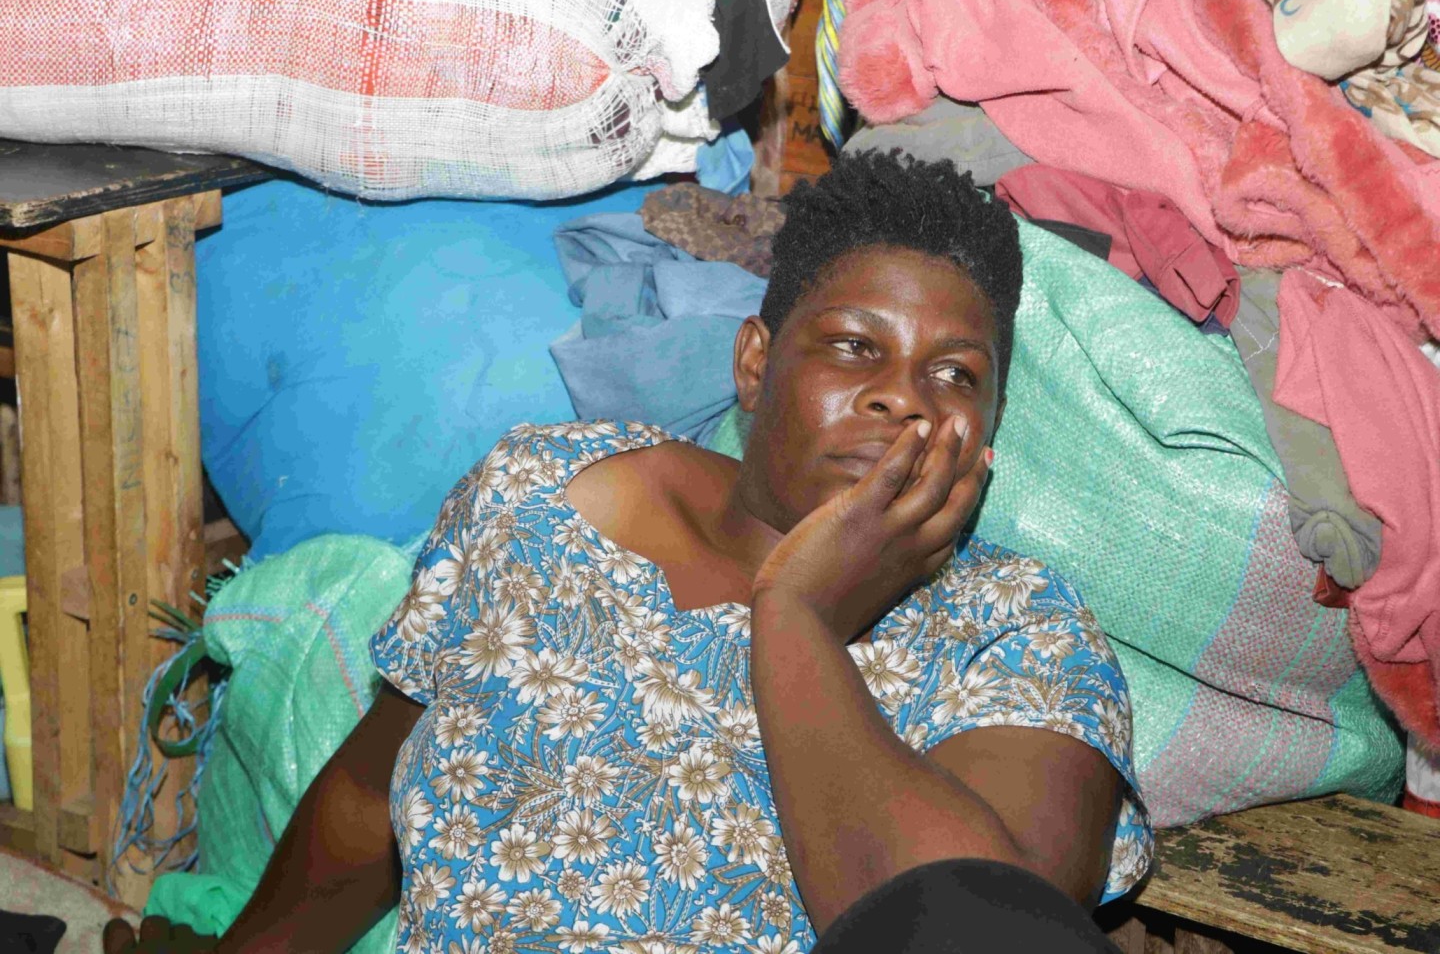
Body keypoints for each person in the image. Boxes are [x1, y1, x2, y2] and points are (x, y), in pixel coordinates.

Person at [104, 151, 1151, 954]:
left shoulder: (1020, 635)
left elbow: (978, 926)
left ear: (992, 428)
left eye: (956, 375)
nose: (901, 397)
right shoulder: (549, 495)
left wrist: (797, 622)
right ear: (753, 360)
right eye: (852, 346)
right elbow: (373, 795)